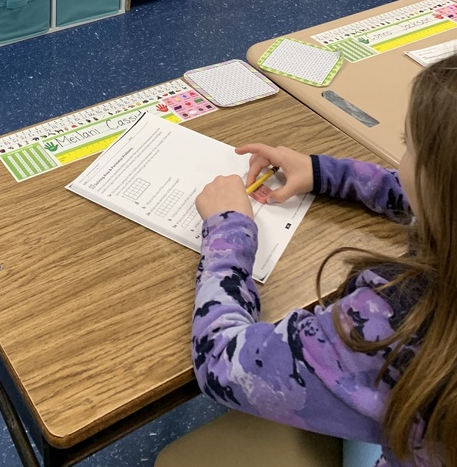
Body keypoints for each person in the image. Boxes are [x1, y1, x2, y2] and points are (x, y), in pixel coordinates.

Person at [184, 53, 457, 467]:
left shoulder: (391, 320)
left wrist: (229, 232)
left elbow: (220, 361)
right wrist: (325, 172)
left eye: (408, 146)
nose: (401, 161)